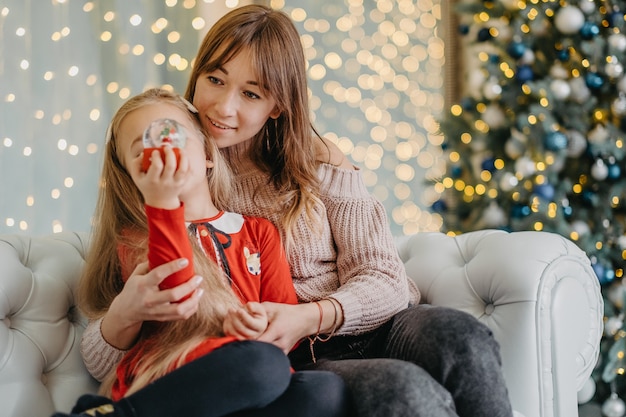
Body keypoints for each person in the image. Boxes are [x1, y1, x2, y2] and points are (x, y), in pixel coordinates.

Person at [80, 5, 514, 417]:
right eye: (215, 79)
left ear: (279, 106)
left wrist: (313, 313)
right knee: (402, 387)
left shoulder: (319, 160)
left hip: (381, 324)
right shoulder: (185, 171)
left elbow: (384, 276)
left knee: (462, 336)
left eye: (251, 93)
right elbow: (150, 304)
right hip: (299, 352)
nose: (223, 107)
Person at [55, 88, 350, 417]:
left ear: (208, 153)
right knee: (262, 364)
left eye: (172, 137)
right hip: (174, 374)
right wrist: (162, 203)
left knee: (324, 389)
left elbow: (282, 318)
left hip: (242, 373)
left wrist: (256, 323)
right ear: (130, 175)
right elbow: (180, 298)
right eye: (145, 150)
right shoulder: (138, 237)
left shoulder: (258, 232)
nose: (164, 153)